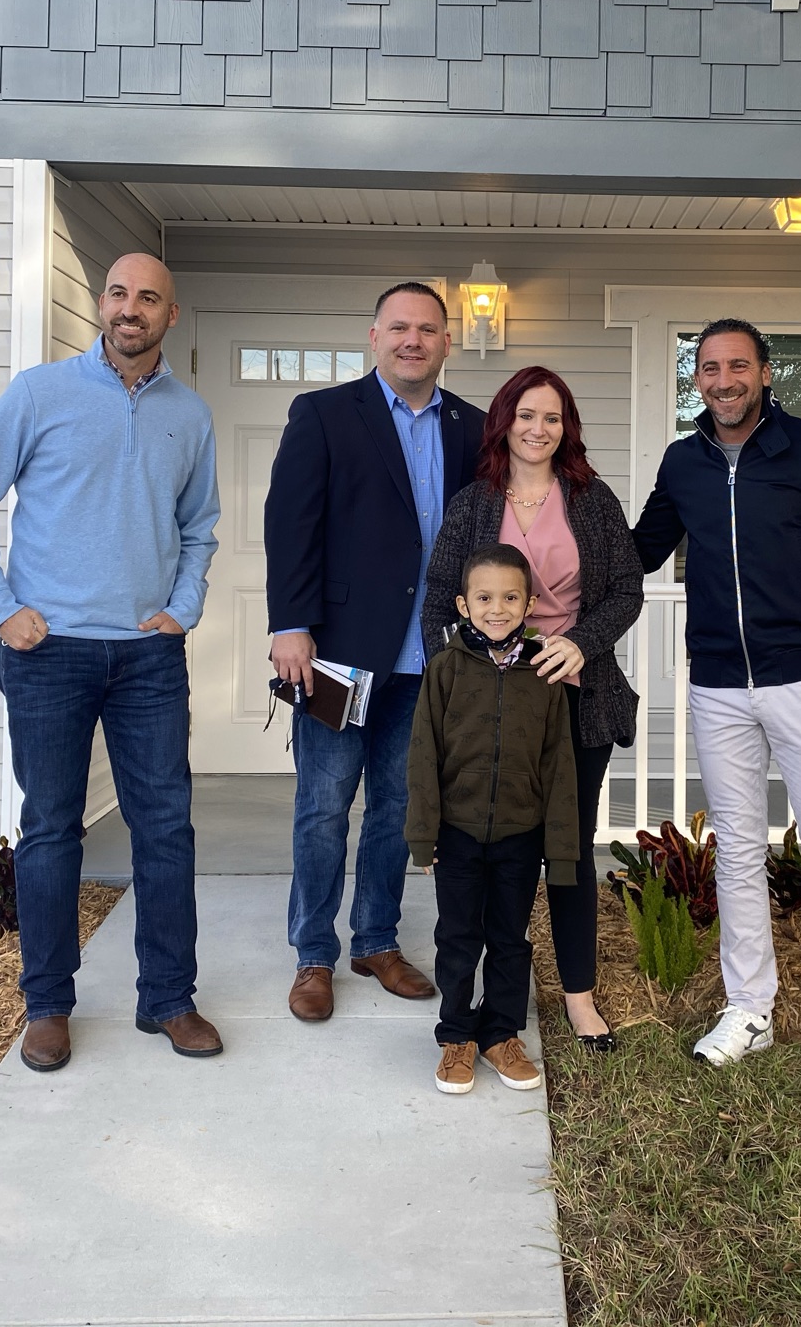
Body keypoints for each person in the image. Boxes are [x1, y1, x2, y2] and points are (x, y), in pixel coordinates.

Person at [0, 253, 222, 1073]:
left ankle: (169, 998)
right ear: (101, 304)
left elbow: (201, 526)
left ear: (172, 314)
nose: (128, 308)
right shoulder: (39, 394)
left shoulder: (191, 416)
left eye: (148, 298)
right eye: (117, 293)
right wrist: (4, 610)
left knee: (165, 829)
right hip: (48, 652)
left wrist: (185, 608)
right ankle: (49, 1006)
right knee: (51, 830)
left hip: (148, 656)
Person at [631, 318, 801, 1088]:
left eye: (737, 365)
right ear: (696, 380)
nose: (723, 380)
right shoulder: (684, 460)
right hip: (715, 684)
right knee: (737, 850)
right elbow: (639, 549)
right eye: (709, 368)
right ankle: (750, 1008)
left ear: (766, 373)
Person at [264, 282, 487, 1022]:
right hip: (338, 652)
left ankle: (376, 940)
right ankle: (313, 955)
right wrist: (290, 623)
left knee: (399, 805)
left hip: (428, 658)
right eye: (399, 328)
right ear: (374, 336)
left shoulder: (472, 428)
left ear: (447, 343)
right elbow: (290, 524)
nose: (412, 340)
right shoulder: (326, 415)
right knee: (323, 805)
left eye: (427, 329)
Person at [421, 366, 642, 1052]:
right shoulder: (473, 504)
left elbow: (627, 589)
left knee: (567, 851)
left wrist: (580, 642)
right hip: (489, 715)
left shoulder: (591, 500)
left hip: (575, 702)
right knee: (489, 850)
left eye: (551, 417)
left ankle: (578, 996)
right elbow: (437, 601)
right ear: (504, 423)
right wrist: (457, 681)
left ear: (565, 427)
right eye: (525, 415)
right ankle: (478, 1001)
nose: (538, 429)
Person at [406, 544, 579, 1095]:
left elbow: (559, 764)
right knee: (458, 937)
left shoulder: (542, 673)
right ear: (463, 604)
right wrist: (423, 834)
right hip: (456, 835)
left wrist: (562, 848)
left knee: (510, 938)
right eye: (484, 597)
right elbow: (423, 756)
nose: (497, 608)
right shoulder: (446, 669)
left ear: (529, 604)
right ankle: (456, 1035)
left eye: (510, 597)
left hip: (520, 837)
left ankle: (501, 1032)